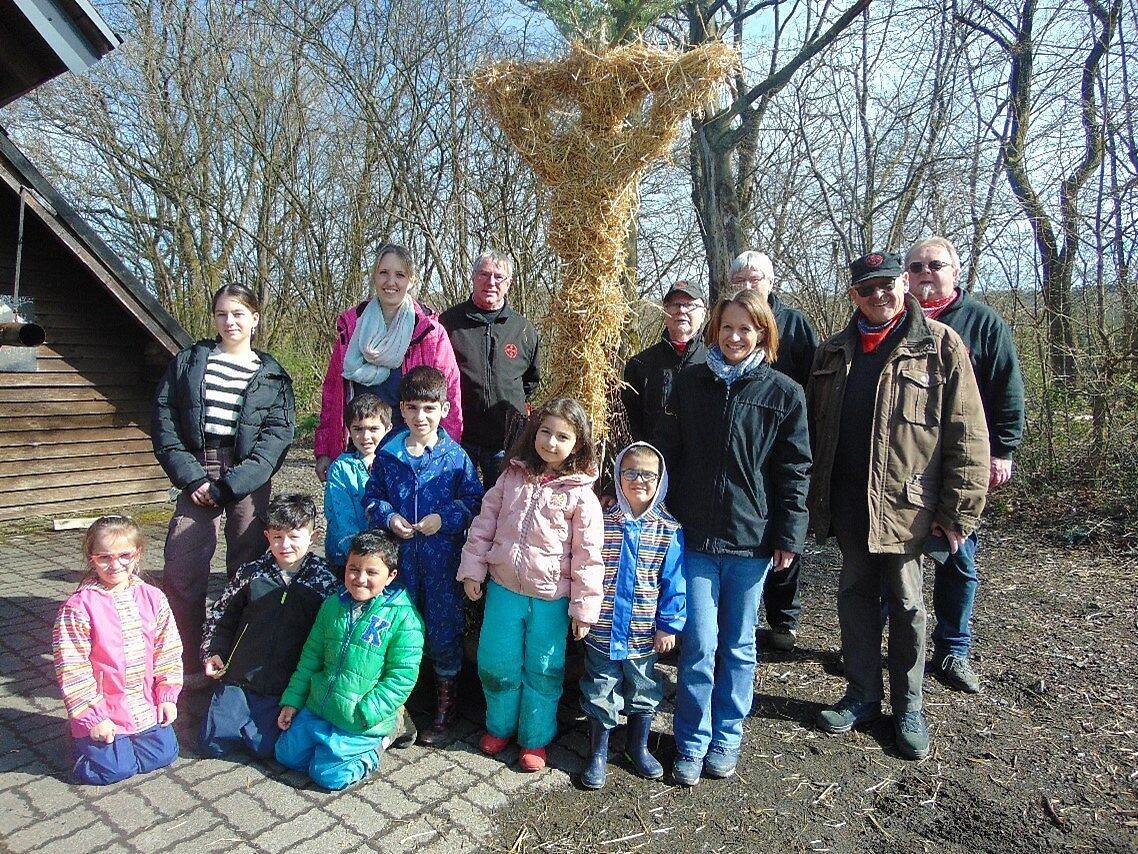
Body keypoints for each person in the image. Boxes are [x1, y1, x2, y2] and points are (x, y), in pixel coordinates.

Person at [807, 250, 989, 761]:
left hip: (908, 509)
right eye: (868, 289)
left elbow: (969, 434)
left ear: (904, 285)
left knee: (908, 607)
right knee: (854, 598)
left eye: (888, 284)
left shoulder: (939, 345)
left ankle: (908, 706)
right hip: (848, 504)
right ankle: (862, 694)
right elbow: (814, 435)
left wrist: (958, 512)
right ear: (853, 296)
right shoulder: (833, 352)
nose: (880, 295)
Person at [654, 289, 811, 787]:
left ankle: (727, 735)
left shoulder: (784, 393)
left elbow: (794, 469)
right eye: (726, 328)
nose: (735, 337)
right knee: (699, 643)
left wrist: (789, 532)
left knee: (738, 646)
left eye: (746, 328)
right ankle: (691, 739)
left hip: (752, 539)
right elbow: (669, 453)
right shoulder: (691, 381)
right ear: (713, 330)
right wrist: (659, 513)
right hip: (695, 536)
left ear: (763, 331)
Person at [152, 284, 295, 680]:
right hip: (196, 467)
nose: (230, 322)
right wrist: (192, 477)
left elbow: (277, 437)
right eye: (222, 314)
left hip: (247, 474)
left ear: (255, 319)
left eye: (238, 314)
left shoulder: (272, 375)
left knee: (247, 566)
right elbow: (164, 422)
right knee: (182, 566)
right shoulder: (189, 362)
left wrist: (232, 485)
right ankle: (181, 660)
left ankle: (237, 655)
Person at [457, 397, 604, 773]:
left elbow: (588, 556)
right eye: (545, 432)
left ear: (578, 444)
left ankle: (534, 738)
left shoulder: (581, 496)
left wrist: (584, 608)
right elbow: (483, 525)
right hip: (504, 589)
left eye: (562, 437)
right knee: (496, 661)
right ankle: (500, 727)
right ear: (533, 433)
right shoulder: (511, 477)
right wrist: (473, 569)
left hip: (550, 599)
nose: (551, 443)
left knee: (543, 668)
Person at [906, 236, 1025, 694]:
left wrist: (1002, 451)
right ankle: (875, 643)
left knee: (958, 555)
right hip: (904, 461)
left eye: (935, 265)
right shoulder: (899, 320)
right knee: (891, 557)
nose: (924, 274)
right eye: (915, 267)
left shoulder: (981, 322)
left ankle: (953, 649)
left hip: (959, 464)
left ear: (954, 272)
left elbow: (1007, 389)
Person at [363, 366, 484, 745]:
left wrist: (443, 519)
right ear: (401, 409)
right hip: (397, 563)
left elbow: (474, 500)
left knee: (442, 631)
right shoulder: (388, 454)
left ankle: (444, 707)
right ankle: (397, 708)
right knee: (398, 628)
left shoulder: (455, 457)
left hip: (441, 562)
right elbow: (371, 497)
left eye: (429, 408)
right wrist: (389, 516)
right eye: (413, 408)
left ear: (444, 409)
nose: (421, 417)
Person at [275, 531, 424, 791]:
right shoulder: (332, 605)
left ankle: (386, 735)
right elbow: (311, 657)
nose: (360, 578)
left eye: (371, 572)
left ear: (390, 576)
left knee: (329, 777)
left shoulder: (405, 620)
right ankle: (327, 743)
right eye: (353, 568)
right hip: (321, 705)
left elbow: (401, 677)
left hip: (360, 717)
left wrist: (367, 712)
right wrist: (293, 700)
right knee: (285, 756)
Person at [727, 251, 820, 653]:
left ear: (770, 281)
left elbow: (814, 383)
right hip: (740, 436)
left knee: (784, 526)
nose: (748, 286)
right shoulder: (725, 321)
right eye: (740, 281)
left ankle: (783, 617)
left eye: (755, 279)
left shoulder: (796, 324)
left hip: (781, 430)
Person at [198, 494, 339, 759]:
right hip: (240, 678)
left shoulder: (325, 581)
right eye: (277, 537)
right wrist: (213, 651)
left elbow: (332, 637)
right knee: (212, 744)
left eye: (294, 536)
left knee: (265, 748)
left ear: (314, 537)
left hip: (284, 684)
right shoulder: (251, 573)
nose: (285, 544)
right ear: (267, 536)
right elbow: (221, 616)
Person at [579, 442, 685, 789]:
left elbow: (674, 582)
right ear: (618, 476)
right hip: (603, 627)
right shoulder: (602, 520)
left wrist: (668, 624)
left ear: (661, 480)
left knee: (643, 686)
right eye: (631, 473)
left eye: (647, 475)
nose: (639, 480)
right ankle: (598, 753)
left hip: (642, 632)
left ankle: (637, 747)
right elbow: (584, 566)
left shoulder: (669, 529)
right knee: (600, 686)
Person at [314, 243, 463, 483]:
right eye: (383, 273)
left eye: (399, 274)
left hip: (410, 454)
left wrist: (445, 452)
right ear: (374, 276)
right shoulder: (351, 328)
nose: (390, 282)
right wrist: (324, 450)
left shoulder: (430, 333)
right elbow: (332, 393)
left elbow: (450, 398)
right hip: (358, 449)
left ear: (411, 280)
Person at [53, 516, 182, 785]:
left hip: (143, 703)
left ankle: (123, 745)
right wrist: (93, 718)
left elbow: (167, 649)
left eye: (124, 555)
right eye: (104, 558)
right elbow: (72, 668)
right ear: (91, 559)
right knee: (113, 770)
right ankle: (80, 742)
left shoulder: (153, 597)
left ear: (138, 554)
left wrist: (167, 694)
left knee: (163, 755)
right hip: (103, 708)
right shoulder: (78, 607)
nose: (115, 565)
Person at [439, 251, 541, 489]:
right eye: (484, 274)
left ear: (509, 283)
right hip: (459, 439)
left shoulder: (523, 329)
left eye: (499, 276)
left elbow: (530, 381)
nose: (491, 282)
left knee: (503, 511)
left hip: (507, 442)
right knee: (459, 507)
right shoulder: (449, 323)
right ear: (473, 277)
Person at [620, 280, 708, 443]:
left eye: (689, 305)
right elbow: (629, 423)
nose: (681, 310)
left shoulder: (716, 363)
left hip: (701, 466)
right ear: (664, 311)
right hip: (654, 464)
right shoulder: (640, 365)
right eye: (674, 305)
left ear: (703, 313)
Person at [324, 394, 392, 569]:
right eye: (358, 429)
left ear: (388, 428)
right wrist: (358, 556)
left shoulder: (396, 466)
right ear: (349, 430)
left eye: (373, 429)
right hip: (347, 558)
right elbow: (340, 516)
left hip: (385, 557)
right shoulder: (341, 468)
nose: (365, 436)